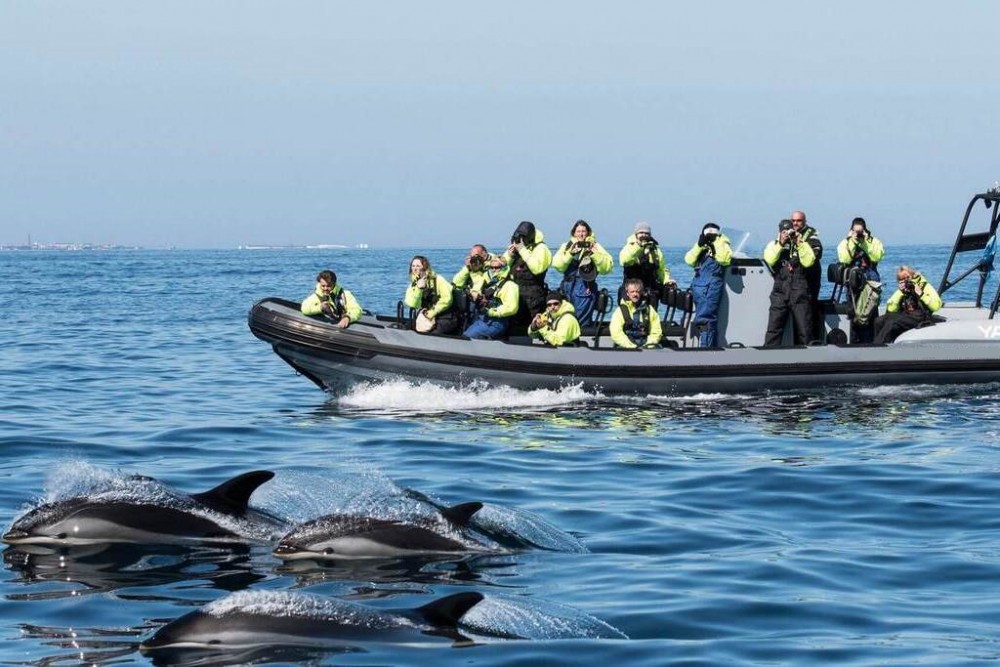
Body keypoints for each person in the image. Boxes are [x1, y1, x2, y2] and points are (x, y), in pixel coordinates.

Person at [763, 219, 816, 346]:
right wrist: (781, 243)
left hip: (799, 288)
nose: (787, 234)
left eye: (790, 231)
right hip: (780, 289)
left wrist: (799, 242)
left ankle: (809, 359)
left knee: (805, 329)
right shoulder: (774, 244)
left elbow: (809, 261)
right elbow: (769, 259)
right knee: (774, 328)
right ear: (779, 232)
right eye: (784, 231)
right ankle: (769, 358)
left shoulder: (802, 243)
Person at [551, 220, 614, 324]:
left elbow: (607, 268)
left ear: (588, 233)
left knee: (581, 322)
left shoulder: (595, 246)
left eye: (583, 231)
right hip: (566, 289)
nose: (581, 234)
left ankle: (583, 338)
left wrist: (595, 254)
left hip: (585, 288)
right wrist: (570, 254)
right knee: (564, 319)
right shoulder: (567, 246)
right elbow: (557, 266)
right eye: (578, 231)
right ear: (574, 233)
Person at [836, 217, 886, 343]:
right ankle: (855, 341)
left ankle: (871, 341)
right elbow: (845, 259)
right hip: (853, 280)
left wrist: (866, 242)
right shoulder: (845, 243)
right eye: (855, 231)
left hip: (870, 280)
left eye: (860, 231)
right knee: (854, 313)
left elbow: (877, 257)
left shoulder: (873, 242)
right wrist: (852, 241)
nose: (858, 234)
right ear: (851, 231)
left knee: (871, 312)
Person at [684, 222, 733, 347]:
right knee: (702, 319)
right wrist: (700, 245)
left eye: (714, 233)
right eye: (708, 233)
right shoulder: (701, 244)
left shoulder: (722, 242)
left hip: (711, 285)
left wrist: (714, 243)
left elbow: (725, 259)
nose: (710, 235)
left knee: (706, 319)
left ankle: (706, 350)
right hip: (699, 285)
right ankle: (708, 348)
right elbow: (689, 260)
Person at [503, 221, 552, 333]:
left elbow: (537, 268)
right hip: (516, 294)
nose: (520, 240)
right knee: (515, 326)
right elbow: (500, 268)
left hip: (533, 297)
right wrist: (510, 255)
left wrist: (522, 250)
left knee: (534, 326)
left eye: (523, 237)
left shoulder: (541, 248)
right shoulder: (518, 246)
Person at [873, 266, 942, 344]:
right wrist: (900, 293)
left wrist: (921, 294)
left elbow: (936, 306)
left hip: (920, 316)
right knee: (879, 321)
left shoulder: (924, 286)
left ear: (912, 275)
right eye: (902, 279)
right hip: (906, 315)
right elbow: (891, 309)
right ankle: (875, 344)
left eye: (907, 278)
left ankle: (878, 346)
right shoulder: (902, 290)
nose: (905, 281)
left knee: (892, 323)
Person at [619, 222, 674, 309]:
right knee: (629, 317)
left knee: (651, 318)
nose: (643, 235)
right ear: (636, 234)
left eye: (646, 233)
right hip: (632, 291)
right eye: (641, 233)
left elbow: (661, 269)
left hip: (650, 291)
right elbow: (624, 260)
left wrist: (667, 280)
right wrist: (638, 246)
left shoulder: (655, 250)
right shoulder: (629, 247)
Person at [790, 210, 824, 343]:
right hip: (794, 281)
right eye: (793, 221)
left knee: (807, 314)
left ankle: (809, 344)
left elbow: (815, 254)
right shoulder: (789, 234)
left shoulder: (811, 236)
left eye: (798, 221)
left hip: (809, 279)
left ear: (804, 222)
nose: (795, 223)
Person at [404, 255, 461, 335]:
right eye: (413, 266)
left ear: (424, 267)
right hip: (427, 318)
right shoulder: (414, 284)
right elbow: (412, 304)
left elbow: (447, 299)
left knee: (433, 334)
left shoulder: (438, 279)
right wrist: (418, 289)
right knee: (407, 327)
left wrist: (432, 313)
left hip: (446, 317)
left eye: (418, 266)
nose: (415, 268)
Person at [462, 265, 520, 340]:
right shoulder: (486, 279)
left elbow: (512, 308)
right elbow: (477, 283)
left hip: (496, 322)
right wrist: (475, 292)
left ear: (504, 268)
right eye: (491, 267)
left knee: (466, 338)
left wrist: (490, 311)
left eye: (497, 267)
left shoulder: (510, 285)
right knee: (464, 333)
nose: (493, 270)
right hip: (482, 318)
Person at [609, 278, 663, 349]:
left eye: (637, 292)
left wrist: (647, 343)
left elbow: (656, 331)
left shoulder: (649, 309)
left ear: (641, 292)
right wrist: (631, 346)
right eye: (632, 292)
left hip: (647, 345)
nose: (635, 294)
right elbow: (616, 333)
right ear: (627, 293)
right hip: (627, 346)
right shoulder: (620, 311)